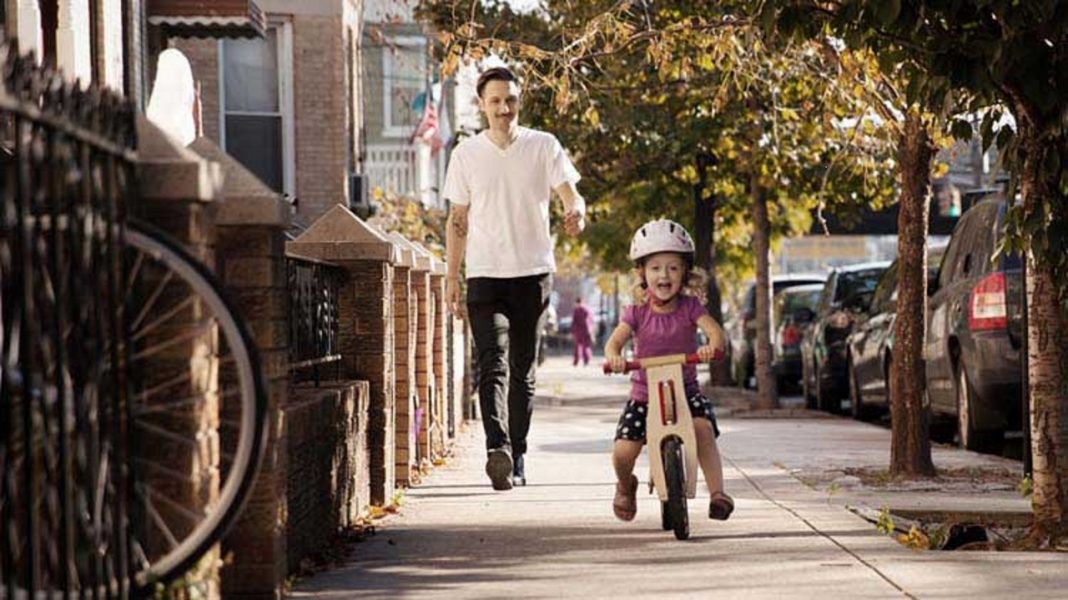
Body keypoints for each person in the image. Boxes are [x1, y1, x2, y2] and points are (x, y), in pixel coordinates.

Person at [443, 66, 585, 491]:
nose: (504, 109)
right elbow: (457, 221)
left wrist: (576, 209)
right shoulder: (465, 155)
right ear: (482, 105)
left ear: (519, 102)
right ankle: (497, 450)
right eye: (496, 101)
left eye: (511, 101)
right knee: (493, 364)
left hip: (533, 275)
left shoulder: (544, 146)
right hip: (485, 276)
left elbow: (569, 192)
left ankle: (518, 453)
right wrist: (453, 276)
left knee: (523, 370)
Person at [604, 219, 734, 522]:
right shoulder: (636, 313)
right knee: (623, 451)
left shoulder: (690, 308)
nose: (664, 274)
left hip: (685, 392)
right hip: (644, 397)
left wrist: (710, 347)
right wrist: (616, 358)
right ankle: (625, 485)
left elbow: (716, 334)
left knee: (702, 429)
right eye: (655, 268)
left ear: (685, 273)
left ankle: (718, 494)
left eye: (673, 268)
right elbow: (614, 344)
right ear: (642, 274)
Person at [571, 297, 593, 366]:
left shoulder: (582, 310)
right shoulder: (582, 310)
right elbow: (575, 321)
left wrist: (573, 330)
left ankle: (582, 360)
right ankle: (580, 360)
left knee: (582, 347)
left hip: (582, 331)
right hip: (581, 331)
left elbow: (586, 321)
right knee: (581, 346)